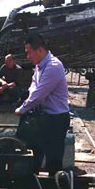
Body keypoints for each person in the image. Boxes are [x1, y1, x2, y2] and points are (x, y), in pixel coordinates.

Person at [15, 33, 70, 176]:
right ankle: (31, 186)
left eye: (29, 52)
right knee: (34, 156)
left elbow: (39, 94)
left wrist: (22, 109)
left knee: (53, 159)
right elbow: (33, 88)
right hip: (42, 117)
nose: (28, 56)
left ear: (40, 50)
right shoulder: (39, 66)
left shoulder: (53, 66)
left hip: (56, 119)